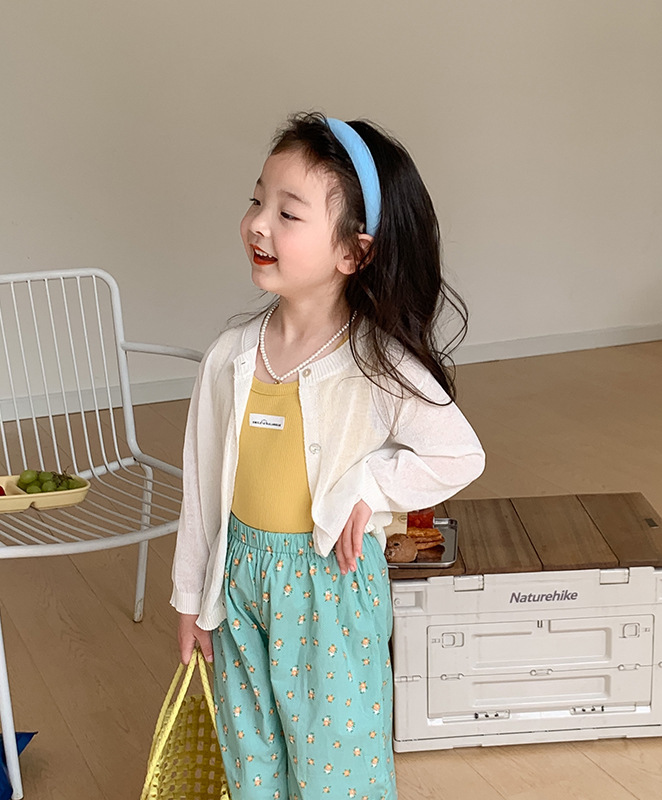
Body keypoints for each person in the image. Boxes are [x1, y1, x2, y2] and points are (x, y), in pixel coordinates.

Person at [170, 111, 485, 800]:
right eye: (257, 200)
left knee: (337, 770)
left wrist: (371, 484)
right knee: (252, 760)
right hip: (241, 582)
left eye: (288, 213)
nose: (258, 224)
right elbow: (201, 487)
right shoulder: (228, 357)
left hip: (330, 591)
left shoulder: (377, 364)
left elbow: (459, 454)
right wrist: (191, 599)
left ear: (354, 253)